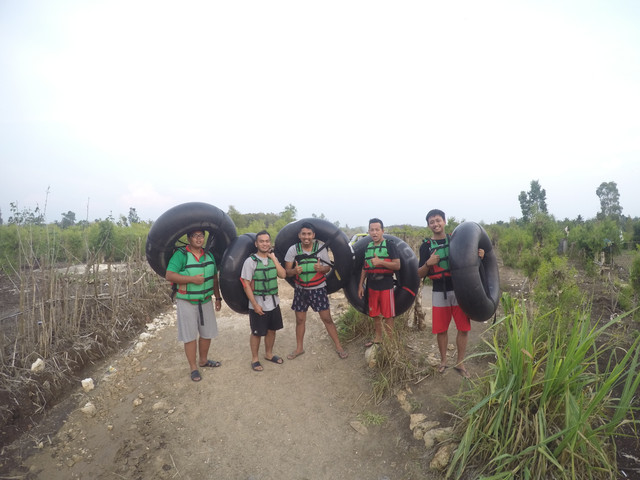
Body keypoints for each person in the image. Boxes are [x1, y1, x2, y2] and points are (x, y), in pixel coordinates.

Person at [417, 209, 484, 379]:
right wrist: (428, 263)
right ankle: (443, 361)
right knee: (441, 330)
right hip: (439, 290)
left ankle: (460, 362)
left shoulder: (455, 240)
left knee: (463, 328)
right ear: (428, 225)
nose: (435, 224)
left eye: (438, 220)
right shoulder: (425, 246)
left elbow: (469, 261)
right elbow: (419, 273)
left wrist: (479, 256)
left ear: (444, 221)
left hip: (459, 289)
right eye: (432, 222)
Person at [284, 222, 348, 360]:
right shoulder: (293, 250)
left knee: (327, 319)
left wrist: (321, 269)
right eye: (303, 234)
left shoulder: (320, 248)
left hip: (318, 289)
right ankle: (299, 348)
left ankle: (338, 346)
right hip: (300, 290)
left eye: (309, 234)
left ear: (313, 235)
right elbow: (287, 272)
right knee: (300, 320)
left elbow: (328, 268)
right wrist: (294, 271)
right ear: (299, 235)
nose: (306, 237)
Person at [165, 230, 222, 382]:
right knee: (190, 336)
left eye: (201, 236)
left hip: (205, 300)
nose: (199, 239)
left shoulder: (209, 255)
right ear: (189, 238)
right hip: (187, 301)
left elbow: (214, 279)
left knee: (207, 333)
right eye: (195, 236)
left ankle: (203, 361)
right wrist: (191, 279)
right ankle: (193, 368)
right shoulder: (181, 255)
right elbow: (169, 275)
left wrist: (218, 298)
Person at [240, 230, 287, 372]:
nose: (265, 243)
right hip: (258, 302)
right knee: (256, 332)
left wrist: (273, 258)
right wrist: (254, 304)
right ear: (256, 243)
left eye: (267, 241)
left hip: (273, 302)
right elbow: (246, 284)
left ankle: (268, 354)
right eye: (262, 241)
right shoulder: (250, 261)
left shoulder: (273, 259)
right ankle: (255, 359)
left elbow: (283, 274)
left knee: (272, 330)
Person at [357, 218, 401, 347]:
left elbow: (397, 265)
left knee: (388, 315)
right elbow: (365, 267)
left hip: (386, 285)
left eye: (377, 230)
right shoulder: (368, 247)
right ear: (369, 231)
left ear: (382, 231)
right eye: (372, 230)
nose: (374, 232)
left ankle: (390, 341)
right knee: (375, 314)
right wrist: (361, 285)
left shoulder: (390, 245)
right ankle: (378, 338)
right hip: (372, 286)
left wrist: (381, 262)